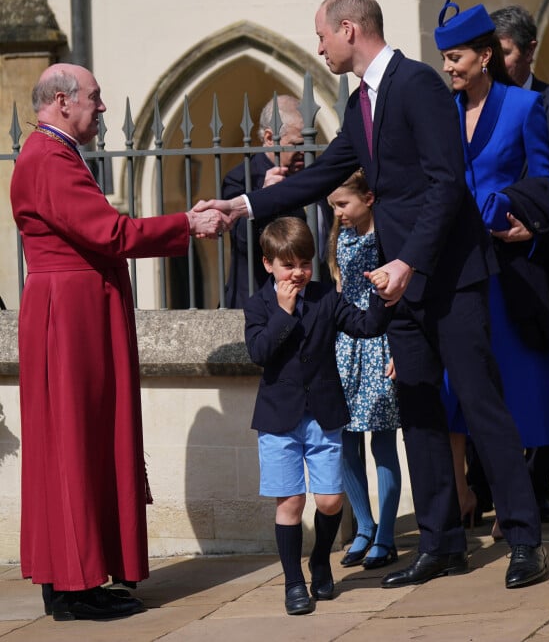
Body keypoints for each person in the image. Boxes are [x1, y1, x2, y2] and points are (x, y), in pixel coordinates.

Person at [195, 0, 548, 590]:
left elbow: (447, 186)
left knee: (481, 406)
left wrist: (409, 260)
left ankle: (525, 541)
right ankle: (441, 544)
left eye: (322, 35)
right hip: (400, 283)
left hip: (451, 276)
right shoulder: (362, 102)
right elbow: (326, 173)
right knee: (418, 410)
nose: (319, 46)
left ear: (349, 30)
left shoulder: (419, 85)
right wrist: (242, 203)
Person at [10, 63, 229, 621]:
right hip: (70, 317)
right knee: (73, 443)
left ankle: (80, 576)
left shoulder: (54, 154)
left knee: (87, 440)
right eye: (95, 98)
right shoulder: (47, 158)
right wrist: (187, 223)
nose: (102, 108)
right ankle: (72, 584)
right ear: (63, 101)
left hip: (81, 309)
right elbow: (109, 232)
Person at [435, 0, 549, 540]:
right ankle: (468, 497)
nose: (448, 68)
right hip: (453, 271)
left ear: (485, 56)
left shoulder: (523, 107)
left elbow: (545, 182)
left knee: (513, 392)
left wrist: (528, 225)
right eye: (443, 58)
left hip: (507, 270)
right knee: (456, 394)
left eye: (456, 57)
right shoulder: (440, 112)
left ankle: (523, 509)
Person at [244, 216, 391, 615]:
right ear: (268, 264)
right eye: (288, 264)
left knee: (329, 501)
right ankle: (294, 584)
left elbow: (365, 326)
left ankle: (320, 559)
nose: (298, 272)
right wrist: (285, 311)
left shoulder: (327, 297)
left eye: (305, 263)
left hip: (324, 415)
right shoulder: (259, 304)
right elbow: (259, 353)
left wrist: (381, 294)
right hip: (278, 420)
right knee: (290, 503)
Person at [326, 169, 401, 570]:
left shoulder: (388, 236)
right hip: (346, 347)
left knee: (382, 442)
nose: (337, 213)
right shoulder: (343, 237)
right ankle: (364, 527)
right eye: (334, 206)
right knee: (345, 442)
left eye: (343, 204)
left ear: (368, 198)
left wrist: (401, 350)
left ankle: (386, 535)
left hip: (382, 343)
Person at [222, 95, 333, 308]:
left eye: (310, 142)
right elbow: (242, 241)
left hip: (315, 300)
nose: (305, 150)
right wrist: (264, 197)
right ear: (269, 137)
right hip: (263, 303)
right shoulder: (242, 178)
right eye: (296, 144)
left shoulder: (315, 171)